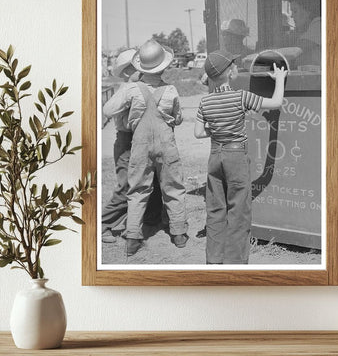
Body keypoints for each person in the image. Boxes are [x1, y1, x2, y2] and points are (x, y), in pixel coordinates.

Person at [194, 50, 287, 264]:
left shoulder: (204, 102)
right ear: (230, 72)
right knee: (238, 209)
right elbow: (275, 102)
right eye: (233, 65)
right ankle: (235, 262)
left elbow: (198, 133)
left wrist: (217, 131)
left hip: (215, 155)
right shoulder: (240, 97)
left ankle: (214, 259)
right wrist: (279, 79)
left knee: (216, 208)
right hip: (236, 155)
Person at [104, 40, 189, 256]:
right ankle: (179, 234)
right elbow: (178, 119)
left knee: (137, 190)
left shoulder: (132, 89)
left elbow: (108, 109)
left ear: (141, 66)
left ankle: (133, 238)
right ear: (164, 66)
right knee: (173, 187)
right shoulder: (171, 90)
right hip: (167, 144)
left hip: (139, 145)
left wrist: (128, 120)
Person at [101, 49, 164, 243]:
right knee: (127, 185)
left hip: (145, 138)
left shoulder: (145, 87)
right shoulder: (126, 88)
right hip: (128, 140)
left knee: (153, 179)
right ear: (129, 70)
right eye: (135, 68)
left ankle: (151, 218)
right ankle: (104, 224)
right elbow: (109, 110)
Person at [286, 0, 321, 68]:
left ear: (308, 11)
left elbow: (296, 50)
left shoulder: (318, 24)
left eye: (295, 11)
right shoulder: (304, 31)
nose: (291, 16)